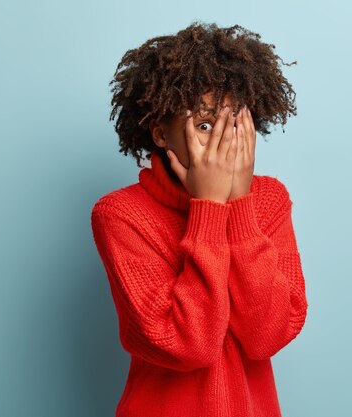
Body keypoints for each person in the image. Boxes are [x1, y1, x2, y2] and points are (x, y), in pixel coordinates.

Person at [91, 21, 308, 417]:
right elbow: (190, 345)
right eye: (206, 125)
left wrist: (239, 205)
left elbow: (267, 336)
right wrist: (209, 206)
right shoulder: (121, 214)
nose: (224, 142)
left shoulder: (269, 201)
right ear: (160, 132)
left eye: (236, 123)